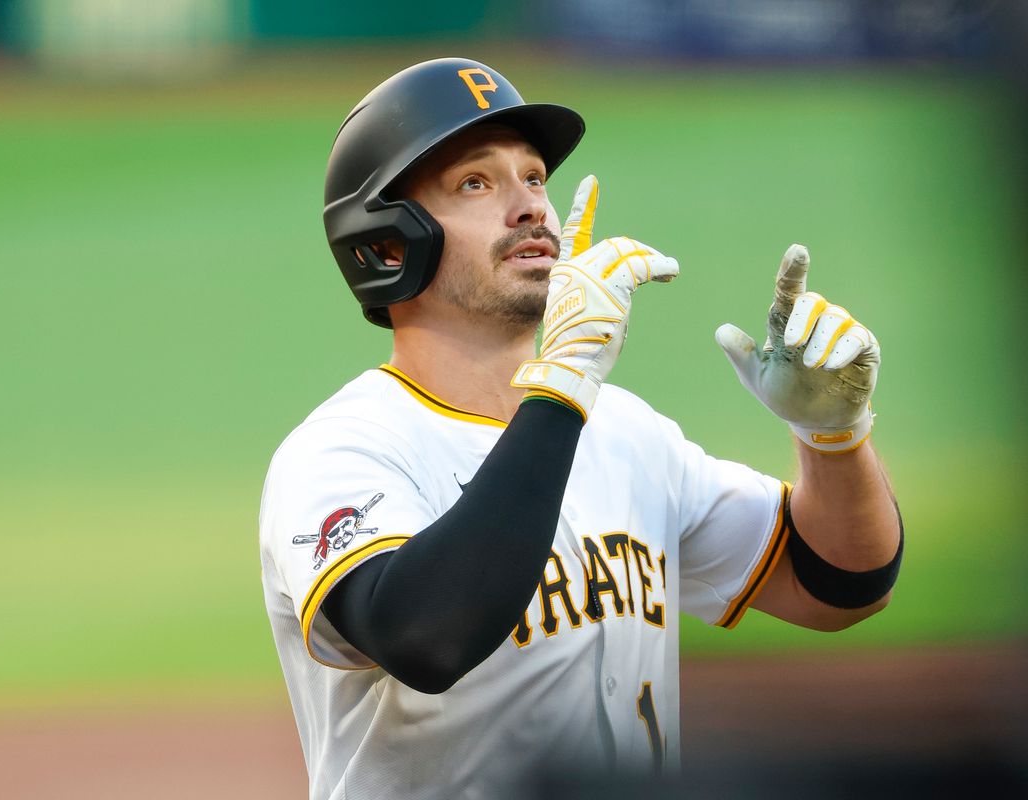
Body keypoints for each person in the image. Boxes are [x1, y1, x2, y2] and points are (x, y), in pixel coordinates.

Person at [259, 57, 902, 800]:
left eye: (534, 178)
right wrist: (563, 386)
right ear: (387, 244)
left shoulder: (625, 433)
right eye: (477, 182)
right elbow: (426, 638)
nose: (531, 206)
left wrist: (835, 439)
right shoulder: (343, 452)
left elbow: (840, 585)